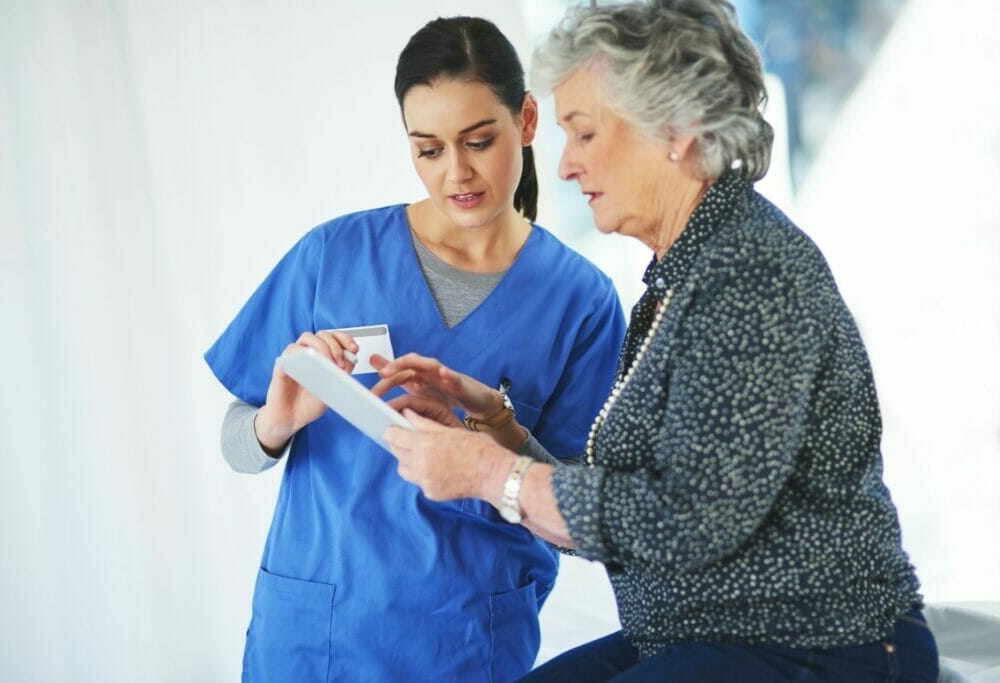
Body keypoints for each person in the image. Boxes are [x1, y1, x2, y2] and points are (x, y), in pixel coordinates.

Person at [380, 1, 940, 680]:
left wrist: (484, 472)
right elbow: (627, 503)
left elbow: (686, 518)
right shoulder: (684, 275)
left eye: (583, 134)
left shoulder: (752, 273)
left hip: (819, 643)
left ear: (675, 128)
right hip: (707, 635)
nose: (563, 166)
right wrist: (494, 426)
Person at [203, 16, 626, 682]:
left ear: (528, 120)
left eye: (479, 141)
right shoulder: (331, 257)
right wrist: (276, 422)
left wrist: (489, 434)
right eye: (428, 149)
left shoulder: (582, 301)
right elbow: (235, 442)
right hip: (314, 637)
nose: (456, 171)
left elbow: (584, 512)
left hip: (464, 642)